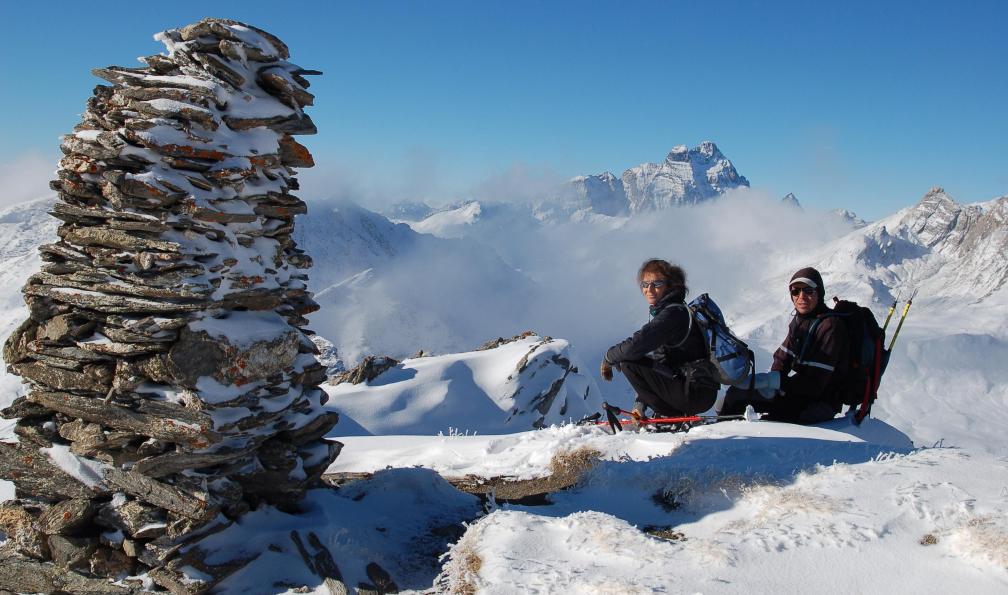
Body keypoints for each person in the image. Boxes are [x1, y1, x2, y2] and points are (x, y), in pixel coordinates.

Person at [720, 267, 849, 424]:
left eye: (808, 291)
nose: (801, 297)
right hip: (797, 393)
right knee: (736, 394)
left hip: (821, 402)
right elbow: (782, 358)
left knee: (772, 422)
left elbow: (815, 385)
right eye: (796, 291)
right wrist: (770, 386)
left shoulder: (830, 327)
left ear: (819, 293)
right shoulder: (800, 321)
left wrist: (773, 382)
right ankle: (719, 435)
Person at [601, 259, 718, 421]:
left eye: (656, 283)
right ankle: (670, 414)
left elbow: (635, 346)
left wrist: (608, 357)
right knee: (634, 359)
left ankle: (672, 414)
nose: (649, 289)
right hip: (697, 390)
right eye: (645, 284)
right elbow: (660, 364)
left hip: (694, 392)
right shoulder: (676, 311)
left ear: (670, 285)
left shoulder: (673, 314)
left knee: (628, 360)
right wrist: (640, 404)